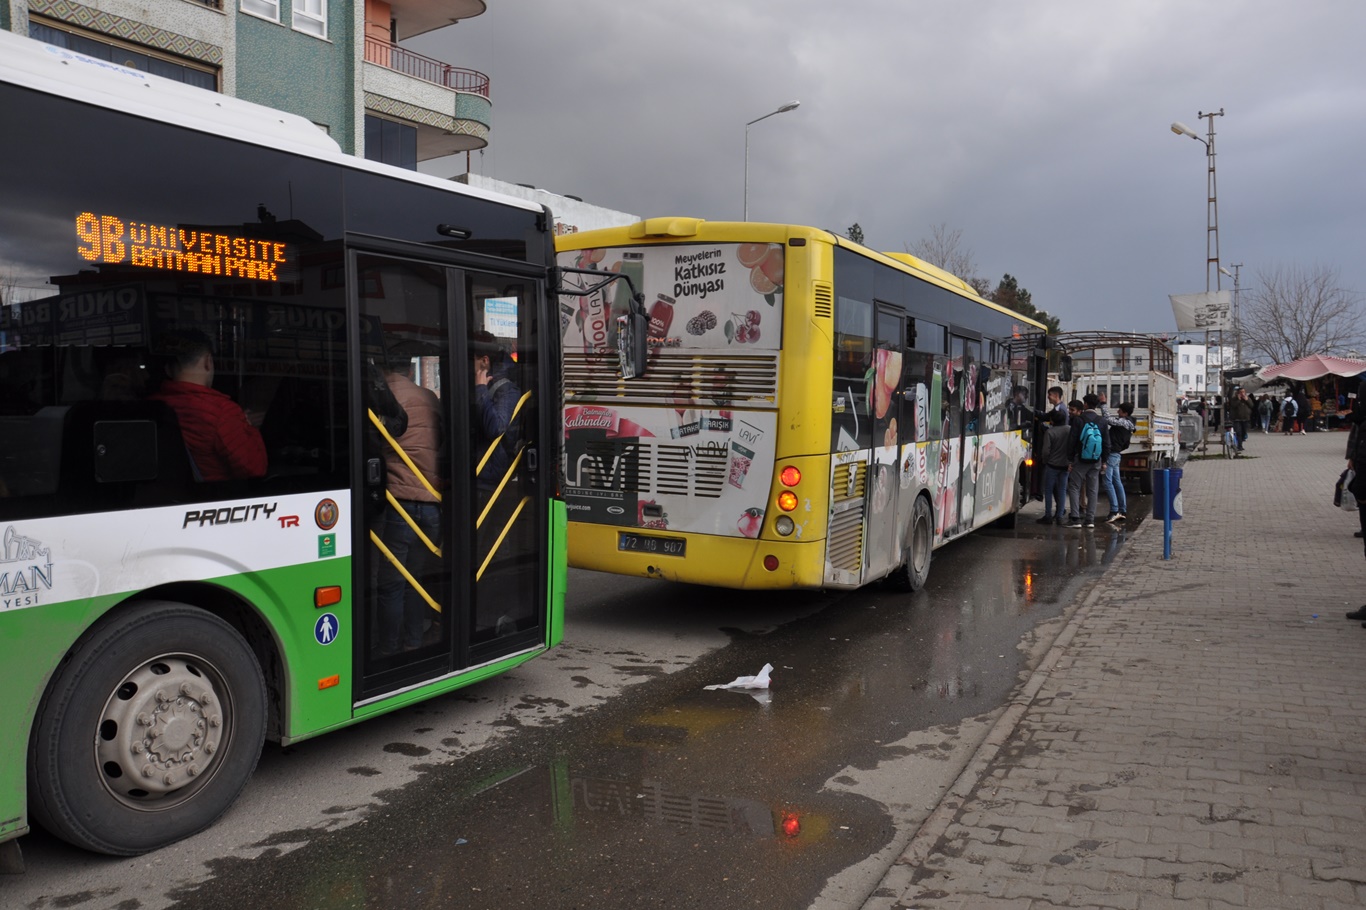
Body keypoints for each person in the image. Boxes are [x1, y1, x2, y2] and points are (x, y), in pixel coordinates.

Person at [376, 355, 441, 656]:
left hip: (398, 503)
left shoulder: (383, 398)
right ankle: (413, 641)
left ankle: (389, 648)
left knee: (392, 584)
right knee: (415, 581)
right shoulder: (427, 397)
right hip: (431, 504)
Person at [150, 329, 267, 481]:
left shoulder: (151, 406)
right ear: (208, 362)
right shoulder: (222, 412)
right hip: (212, 497)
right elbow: (255, 471)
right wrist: (249, 429)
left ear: (168, 369)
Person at [472, 331, 522, 490]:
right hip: (478, 470)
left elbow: (495, 428)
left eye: (471, 360)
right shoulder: (484, 386)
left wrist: (480, 389)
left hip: (490, 475)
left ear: (484, 361)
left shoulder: (506, 390)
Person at [1065, 394, 1108, 529]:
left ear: (1085, 405)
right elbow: (1107, 443)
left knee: (1074, 487)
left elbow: (1071, 441)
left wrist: (1070, 459)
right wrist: (1104, 461)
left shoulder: (1079, 420)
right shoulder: (1102, 421)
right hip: (1096, 459)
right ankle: (1090, 520)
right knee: (1093, 489)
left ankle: (1075, 518)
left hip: (1081, 458)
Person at [1102, 401, 1136, 523]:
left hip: (1112, 454)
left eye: (1120, 410)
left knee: (1107, 481)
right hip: (1116, 454)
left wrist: (1103, 404)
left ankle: (1114, 511)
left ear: (1125, 413)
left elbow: (1107, 419)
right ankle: (1122, 510)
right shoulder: (1130, 423)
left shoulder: (1123, 422)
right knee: (1117, 482)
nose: (1118, 412)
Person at [1035, 409, 1071, 525]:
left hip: (1052, 465)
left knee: (1049, 490)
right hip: (1065, 465)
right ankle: (1060, 516)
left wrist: (1045, 461)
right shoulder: (1069, 430)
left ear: (1052, 420)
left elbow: (1046, 451)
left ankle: (1048, 515)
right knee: (1062, 490)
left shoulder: (1050, 432)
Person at [1228, 388, 1253, 453]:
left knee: (1244, 432)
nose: (1242, 393)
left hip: (1245, 418)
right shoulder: (1234, 399)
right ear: (1238, 393)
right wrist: (1238, 400)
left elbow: (1252, 405)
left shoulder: (1247, 398)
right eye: (1241, 392)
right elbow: (1233, 405)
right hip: (1237, 419)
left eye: (1243, 392)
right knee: (1238, 432)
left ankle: (1240, 443)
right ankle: (1239, 446)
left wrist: (1247, 400)